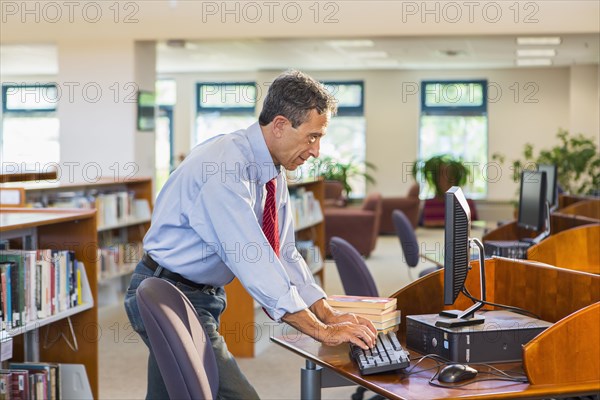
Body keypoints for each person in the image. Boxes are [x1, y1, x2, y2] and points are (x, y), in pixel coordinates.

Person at [124, 70, 377, 400]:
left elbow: (283, 252)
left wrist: (328, 312)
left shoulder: (271, 169)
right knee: (238, 396)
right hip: (168, 294)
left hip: (203, 295)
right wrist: (321, 332)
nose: (316, 151)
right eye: (313, 137)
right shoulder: (226, 168)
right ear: (281, 125)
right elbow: (255, 261)